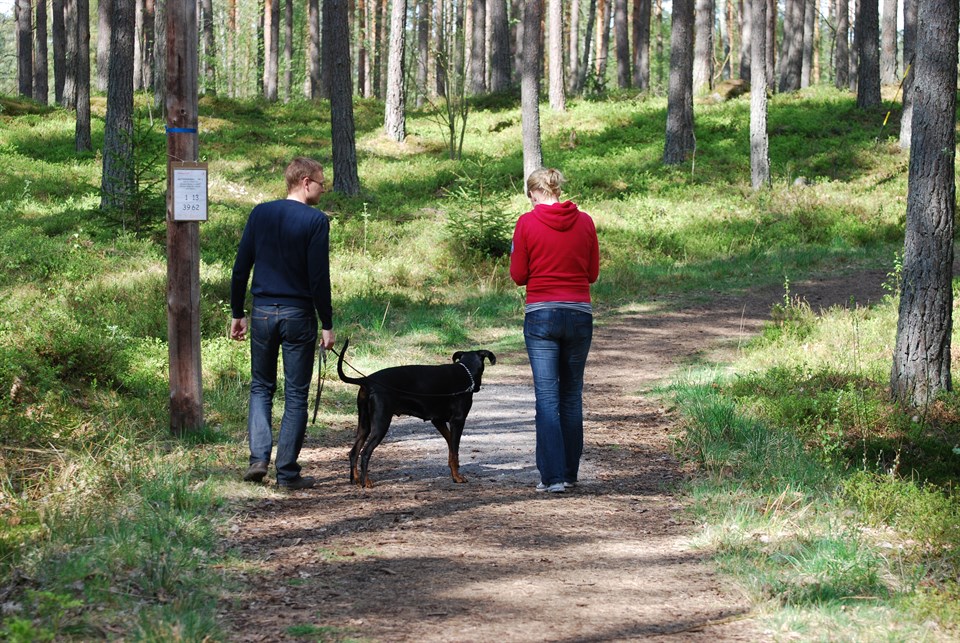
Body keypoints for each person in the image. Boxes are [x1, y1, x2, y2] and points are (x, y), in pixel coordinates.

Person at [230, 157, 336, 490]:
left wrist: (237, 312)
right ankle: (287, 473)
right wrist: (327, 322)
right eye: (321, 183)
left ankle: (258, 460)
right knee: (296, 394)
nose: (323, 189)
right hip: (298, 315)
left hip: (262, 313)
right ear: (305, 182)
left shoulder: (260, 213)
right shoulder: (316, 221)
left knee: (261, 387)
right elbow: (318, 277)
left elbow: (241, 267)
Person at [509, 168, 600, 493]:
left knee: (547, 397)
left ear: (535, 192)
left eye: (530, 196)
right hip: (579, 314)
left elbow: (518, 275)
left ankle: (553, 478)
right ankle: (570, 473)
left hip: (541, 316)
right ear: (557, 190)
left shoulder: (526, 223)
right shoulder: (585, 222)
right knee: (571, 395)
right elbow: (592, 274)